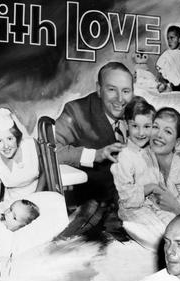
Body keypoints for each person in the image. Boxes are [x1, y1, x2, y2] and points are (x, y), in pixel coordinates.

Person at [55, 61, 131, 204]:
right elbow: (51, 150)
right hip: (95, 204)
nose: (120, 99)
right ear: (99, 89)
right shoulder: (76, 111)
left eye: (126, 91)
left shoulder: (138, 108)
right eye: (112, 90)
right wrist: (94, 155)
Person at [110, 97, 173, 247]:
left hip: (153, 205)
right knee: (159, 238)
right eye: (135, 126)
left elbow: (160, 178)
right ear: (126, 125)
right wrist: (150, 187)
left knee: (177, 226)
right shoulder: (125, 156)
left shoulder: (150, 150)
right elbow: (127, 196)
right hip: (132, 209)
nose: (141, 132)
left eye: (147, 126)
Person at [0, 107, 45, 211]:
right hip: (11, 206)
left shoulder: (32, 145)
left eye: (9, 139)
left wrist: (35, 199)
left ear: (16, 137)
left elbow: (46, 172)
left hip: (38, 198)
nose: (6, 146)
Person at [156, 25, 180, 91]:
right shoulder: (166, 54)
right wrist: (163, 79)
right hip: (169, 81)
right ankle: (166, 87)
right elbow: (160, 70)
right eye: (168, 38)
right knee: (163, 86)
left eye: (172, 38)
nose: (169, 41)